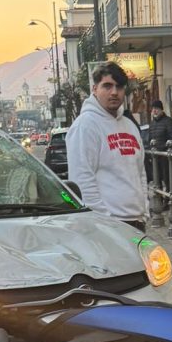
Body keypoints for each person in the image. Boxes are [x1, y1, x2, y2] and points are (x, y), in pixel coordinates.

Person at [66, 61, 146, 230]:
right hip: (109, 225)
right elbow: (82, 180)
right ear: (95, 89)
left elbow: (140, 173)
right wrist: (106, 222)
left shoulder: (130, 125)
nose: (114, 92)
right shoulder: (86, 125)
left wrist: (144, 209)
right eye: (107, 86)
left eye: (119, 87)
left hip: (136, 221)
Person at [149, 98, 172, 196]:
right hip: (155, 157)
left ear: (161, 110)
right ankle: (159, 198)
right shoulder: (152, 124)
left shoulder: (169, 122)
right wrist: (151, 142)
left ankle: (169, 199)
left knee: (167, 179)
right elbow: (149, 138)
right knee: (157, 179)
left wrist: (169, 143)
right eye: (153, 109)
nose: (154, 111)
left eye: (156, 108)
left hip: (166, 157)